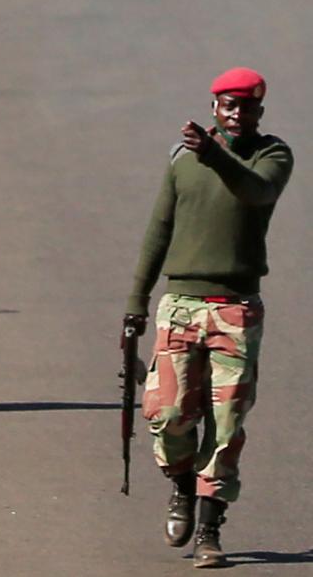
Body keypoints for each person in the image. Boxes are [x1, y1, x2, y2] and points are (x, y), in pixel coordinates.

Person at [126, 68, 295, 570]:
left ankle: (209, 528)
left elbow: (255, 192)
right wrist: (135, 302)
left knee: (226, 426)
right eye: (229, 106)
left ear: (259, 112)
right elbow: (159, 228)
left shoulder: (271, 155)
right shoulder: (183, 160)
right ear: (214, 108)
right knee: (170, 415)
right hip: (180, 305)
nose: (238, 115)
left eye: (247, 108)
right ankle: (180, 490)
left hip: (235, 310)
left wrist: (215, 153)